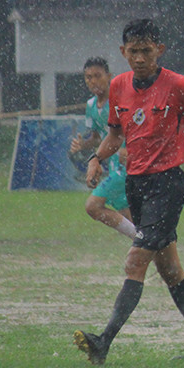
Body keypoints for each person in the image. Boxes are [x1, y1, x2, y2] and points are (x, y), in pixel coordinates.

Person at [73, 19, 184, 364]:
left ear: (160, 50)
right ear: (123, 52)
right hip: (135, 185)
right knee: (169, 268)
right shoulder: (119, 87)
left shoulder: (177, 85)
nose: (139, 58)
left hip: (167, 184)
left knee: (135, 260)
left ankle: (103, 342)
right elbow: (114, 135)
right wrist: (96, 158)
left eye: (146, 50)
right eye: (133, 51)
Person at [69, 57, 137, 240]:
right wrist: (83, 144)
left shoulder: (120, 101)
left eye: (97, 76)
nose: (92, 81)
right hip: (113, 165)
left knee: (93, 206)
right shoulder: (91, 106)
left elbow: (136, 128)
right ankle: (150, 249)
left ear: (109, 77)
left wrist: (131, 150)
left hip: (128, 166)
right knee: (130, 220)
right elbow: (99, 138)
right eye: (88, 77)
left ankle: (144, 244)